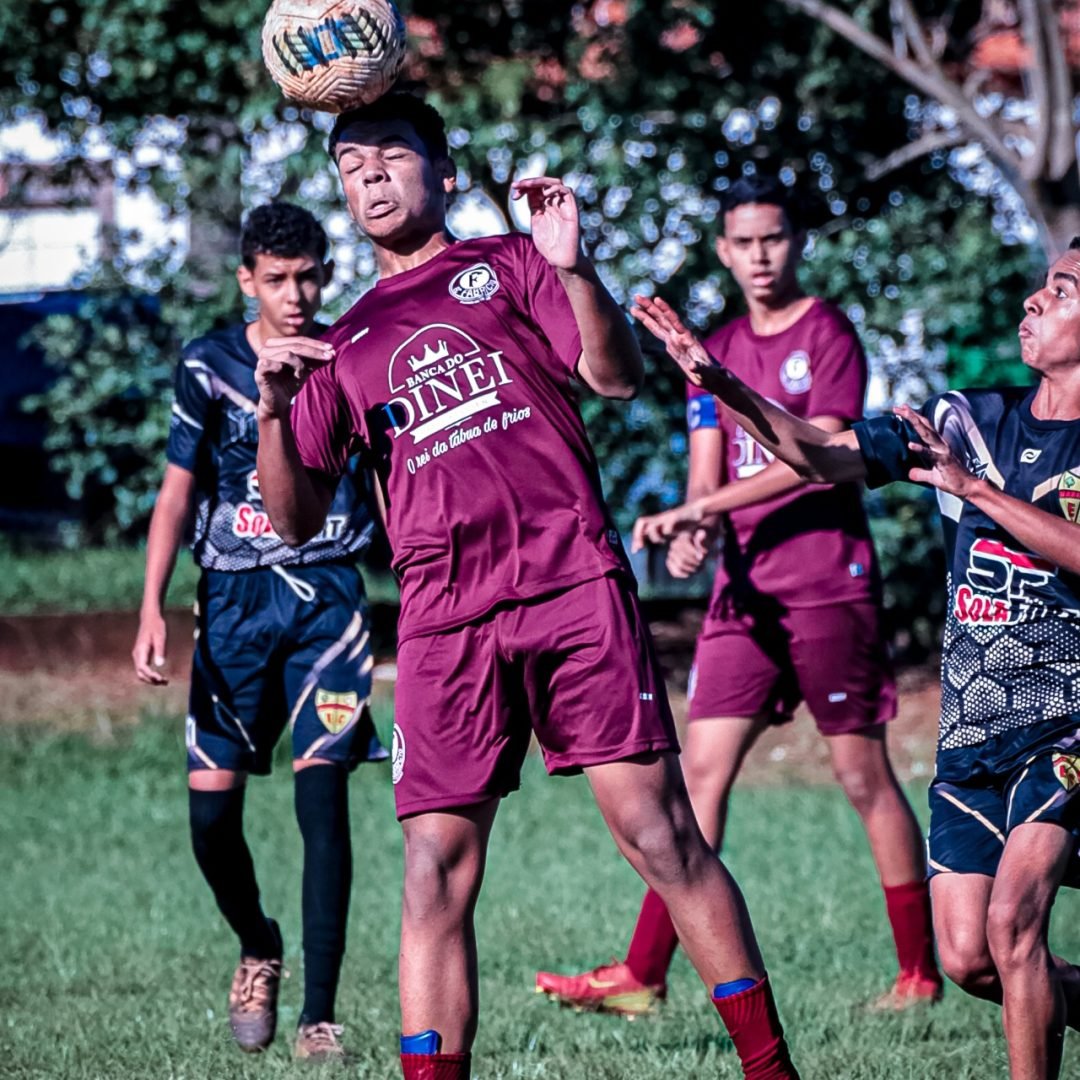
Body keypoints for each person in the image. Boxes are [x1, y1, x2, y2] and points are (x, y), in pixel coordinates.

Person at [252, 93, 800, 1080]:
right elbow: (293, 519)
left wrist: (573, 264)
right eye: (350, 166)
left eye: (390, 157)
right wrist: (272, 412)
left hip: (570, 588)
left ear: (446, 174)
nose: (369, 176)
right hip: (442, 622)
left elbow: (617, 376)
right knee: (432, 877)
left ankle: (771, 1071)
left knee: (660, 836)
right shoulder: (342, 344)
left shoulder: (506, 265)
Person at [630, 239, 1080, 1079]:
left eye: (1061, 292)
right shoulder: (967, 421)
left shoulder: (976, 464)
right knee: (972, 959)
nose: (1032, 303)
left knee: (1015, 923)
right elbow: (822, 455)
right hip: (975, 740)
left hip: (1071, 729)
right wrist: (722, 384)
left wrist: (977, 493)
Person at [536, 176, 941, 1016]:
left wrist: (696, 510)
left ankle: (919, 973)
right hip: (744, 593)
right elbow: (705, 476)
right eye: (743, 242)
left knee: (862, 774)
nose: (760, 256)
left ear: (796, 244)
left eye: (774, 239)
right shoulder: (708, 347)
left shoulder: (827, 333)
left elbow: (820, 456)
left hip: (827, 581)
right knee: (699, 772)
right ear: (723, 250)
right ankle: (643, 975)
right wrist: (694, 531)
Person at [132, 202, 386, 1063]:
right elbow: (176, 491)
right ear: (247, 280)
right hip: (233, 607)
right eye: (277, 278)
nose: (298, 293)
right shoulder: (208, 364)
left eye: (311, 274)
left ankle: (320, 1014)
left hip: (327, 602)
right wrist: (151, 611)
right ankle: (257, 944)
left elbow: (390, 481)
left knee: (324, 805)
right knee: (211, 822)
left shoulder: (352, 355)